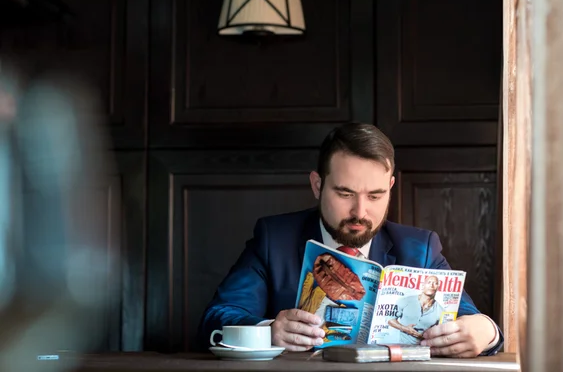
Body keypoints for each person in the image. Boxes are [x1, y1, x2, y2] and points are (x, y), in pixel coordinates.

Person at [198, 122, 502, 357]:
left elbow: (470, 320)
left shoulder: (420, 249)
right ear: (317, 185)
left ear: (391, 187)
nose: (360, 211)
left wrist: (486, 331)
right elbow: (216, 318)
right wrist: (268, 332)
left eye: (375, 195)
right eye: (345, 194)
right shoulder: (273, 239)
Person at [388, 276, 445, 345]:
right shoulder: (405, 300)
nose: (431, 285)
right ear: (422, 285)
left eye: (435, 283)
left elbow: (443, 334)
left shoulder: (441, 311)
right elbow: (390, 319)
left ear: (438, 287)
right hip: (402, 349)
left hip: (425, 350)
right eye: (429, 282)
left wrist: (425, 337)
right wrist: (405, 329)